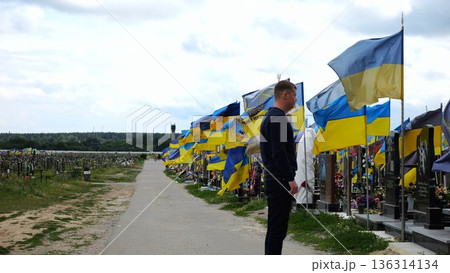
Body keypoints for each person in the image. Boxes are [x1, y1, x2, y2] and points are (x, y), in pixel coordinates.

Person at [260, 80, 299, 255]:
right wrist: (290, 178)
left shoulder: (270, 116)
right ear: (285, 95)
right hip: (279, 180)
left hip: (274, 178)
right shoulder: (278, 118)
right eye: (294, 95)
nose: (296, 100)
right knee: (277, 230)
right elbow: (279, 152)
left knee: (275, 228)